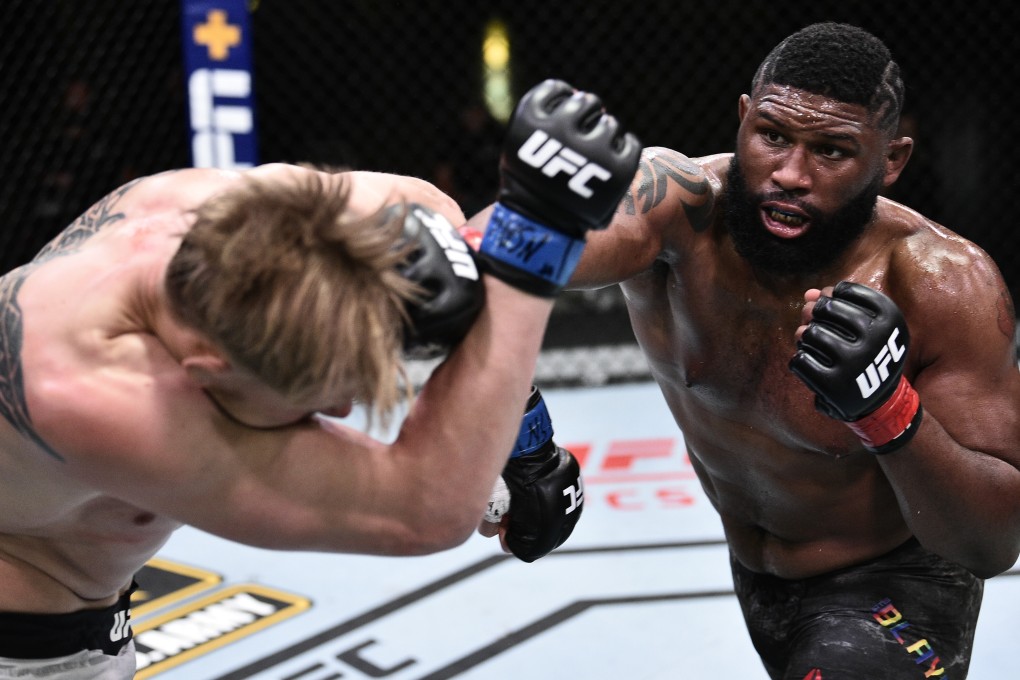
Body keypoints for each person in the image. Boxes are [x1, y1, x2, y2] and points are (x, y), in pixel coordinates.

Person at [0, 80, 640, 677]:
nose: (340, 409)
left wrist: (518, 425)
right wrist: (535, 247)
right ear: (207, 368)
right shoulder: (102, 397)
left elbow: (428, 212)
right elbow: (426, 509)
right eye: (314, 395)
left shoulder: (203, 206)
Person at [472, 22, 1020, 679]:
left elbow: (991, 544)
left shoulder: (943, 286)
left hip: (898, 588)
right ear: (743, 117)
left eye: (832, 151)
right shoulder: (675, 210)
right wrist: (517, 429)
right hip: (756, 575)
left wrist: (887, 411)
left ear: (892, 161)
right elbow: (474, 266)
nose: (789, 175)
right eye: (773, 136)